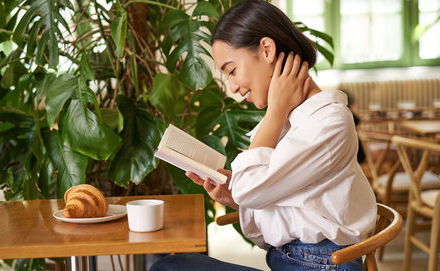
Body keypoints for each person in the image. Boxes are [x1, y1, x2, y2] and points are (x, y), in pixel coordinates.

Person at [150, 1, 376, 270]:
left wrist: (276, 111)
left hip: (321, 266)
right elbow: (289, 208)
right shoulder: (295, 121)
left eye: (232, 71)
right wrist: (232, 198)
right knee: (175, 265)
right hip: (295, 262)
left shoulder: (329, 121)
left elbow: (250, 189)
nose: (233, 87)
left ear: (267, 50)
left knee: (170, 268)